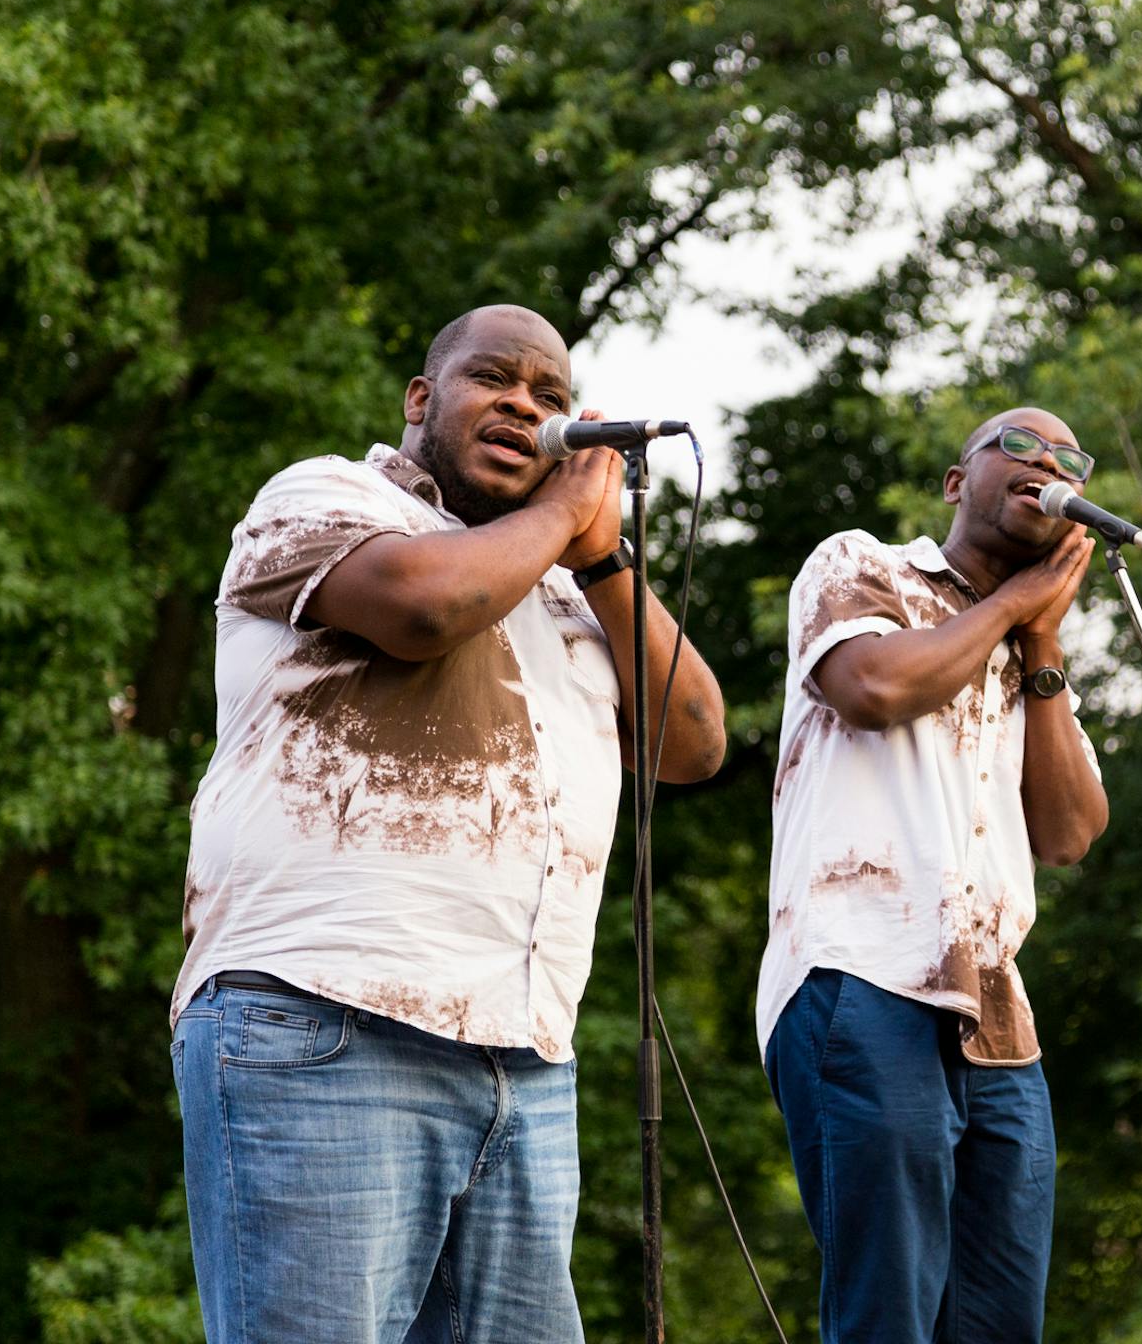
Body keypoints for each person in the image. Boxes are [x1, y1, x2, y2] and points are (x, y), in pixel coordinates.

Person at [169, 303, 725, 1343]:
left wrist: (604, 562)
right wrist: (565, 518)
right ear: (423, 400)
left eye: (553, 396)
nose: (527, 404)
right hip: (326, 1018)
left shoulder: (568, 585)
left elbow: (694, 741)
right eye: (495, 380)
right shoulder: (332, 494)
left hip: (522, 1055)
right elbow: (420, 609)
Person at [757, 407, 1111, 1342]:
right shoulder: (864, 566)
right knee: (890, 1315)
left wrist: (1041, 648)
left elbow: (1071, 832)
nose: (1048, 464)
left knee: (1000, 1322)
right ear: (959, 483)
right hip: (864, 973)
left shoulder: (1033, 645)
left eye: (1070, 458)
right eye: (1021, 447)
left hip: (1000, 1020)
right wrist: (1009, 609)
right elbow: (872, 690)